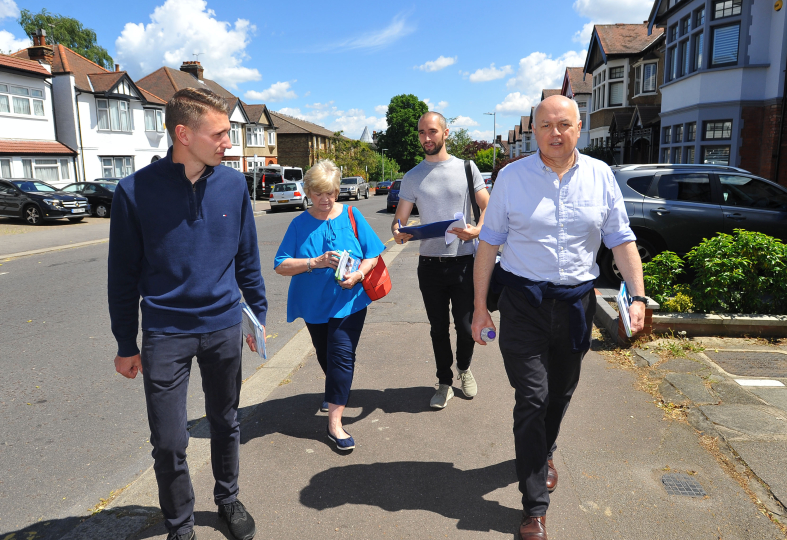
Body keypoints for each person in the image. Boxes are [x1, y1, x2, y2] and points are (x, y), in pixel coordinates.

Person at [471, 95, 646, 540]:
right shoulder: (511, 177)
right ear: (535, 130)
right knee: (531, 397)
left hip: (574, 304)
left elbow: (621, 240)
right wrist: (477, 309)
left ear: (579, 127)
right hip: (522, 303)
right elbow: (488, 245)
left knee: (561, 392)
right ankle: (534, 507)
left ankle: (545, 447)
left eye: (564, 124)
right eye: (546, 125)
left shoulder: (601, 176)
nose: (555, 133)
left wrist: (640, 297)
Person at [108, 88, 266, 540]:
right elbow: (122, 276)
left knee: (226, 421)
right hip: (165, 333)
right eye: (218, 134)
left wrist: (256, 314)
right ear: (183, 133)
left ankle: (227, 497)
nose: (227, 143)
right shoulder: (133, 191)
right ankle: (180, 525)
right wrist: (126, 343)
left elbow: (247, 258)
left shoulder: (235, 185)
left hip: (222, 326)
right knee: (170, 441)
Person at [274, 159, 385, 451]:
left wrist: (359, 274)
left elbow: (373, 254)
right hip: (313, 305)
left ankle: (335, 423)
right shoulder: (298, 224)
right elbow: (281, 266)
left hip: (349, 300)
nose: (327, 199)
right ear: (309, 191)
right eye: (320, 193)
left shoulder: (351, 214)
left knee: (341, 354)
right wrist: (315, 262)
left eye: (332, 192)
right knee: (327, 355)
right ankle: (335, 388)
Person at [392, 111, 490, 409]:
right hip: (430, 265)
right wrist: (398, 231)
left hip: (463, 262)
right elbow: (400, 219)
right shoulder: (412, 177)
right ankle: (444, 381)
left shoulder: (467, 168)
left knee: (464, 326)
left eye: (432, 131)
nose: (426, 138)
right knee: (438, 328)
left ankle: (464, 368)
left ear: (446, 133)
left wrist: (477, 230)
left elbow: (489, 207)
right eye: (421, 133)